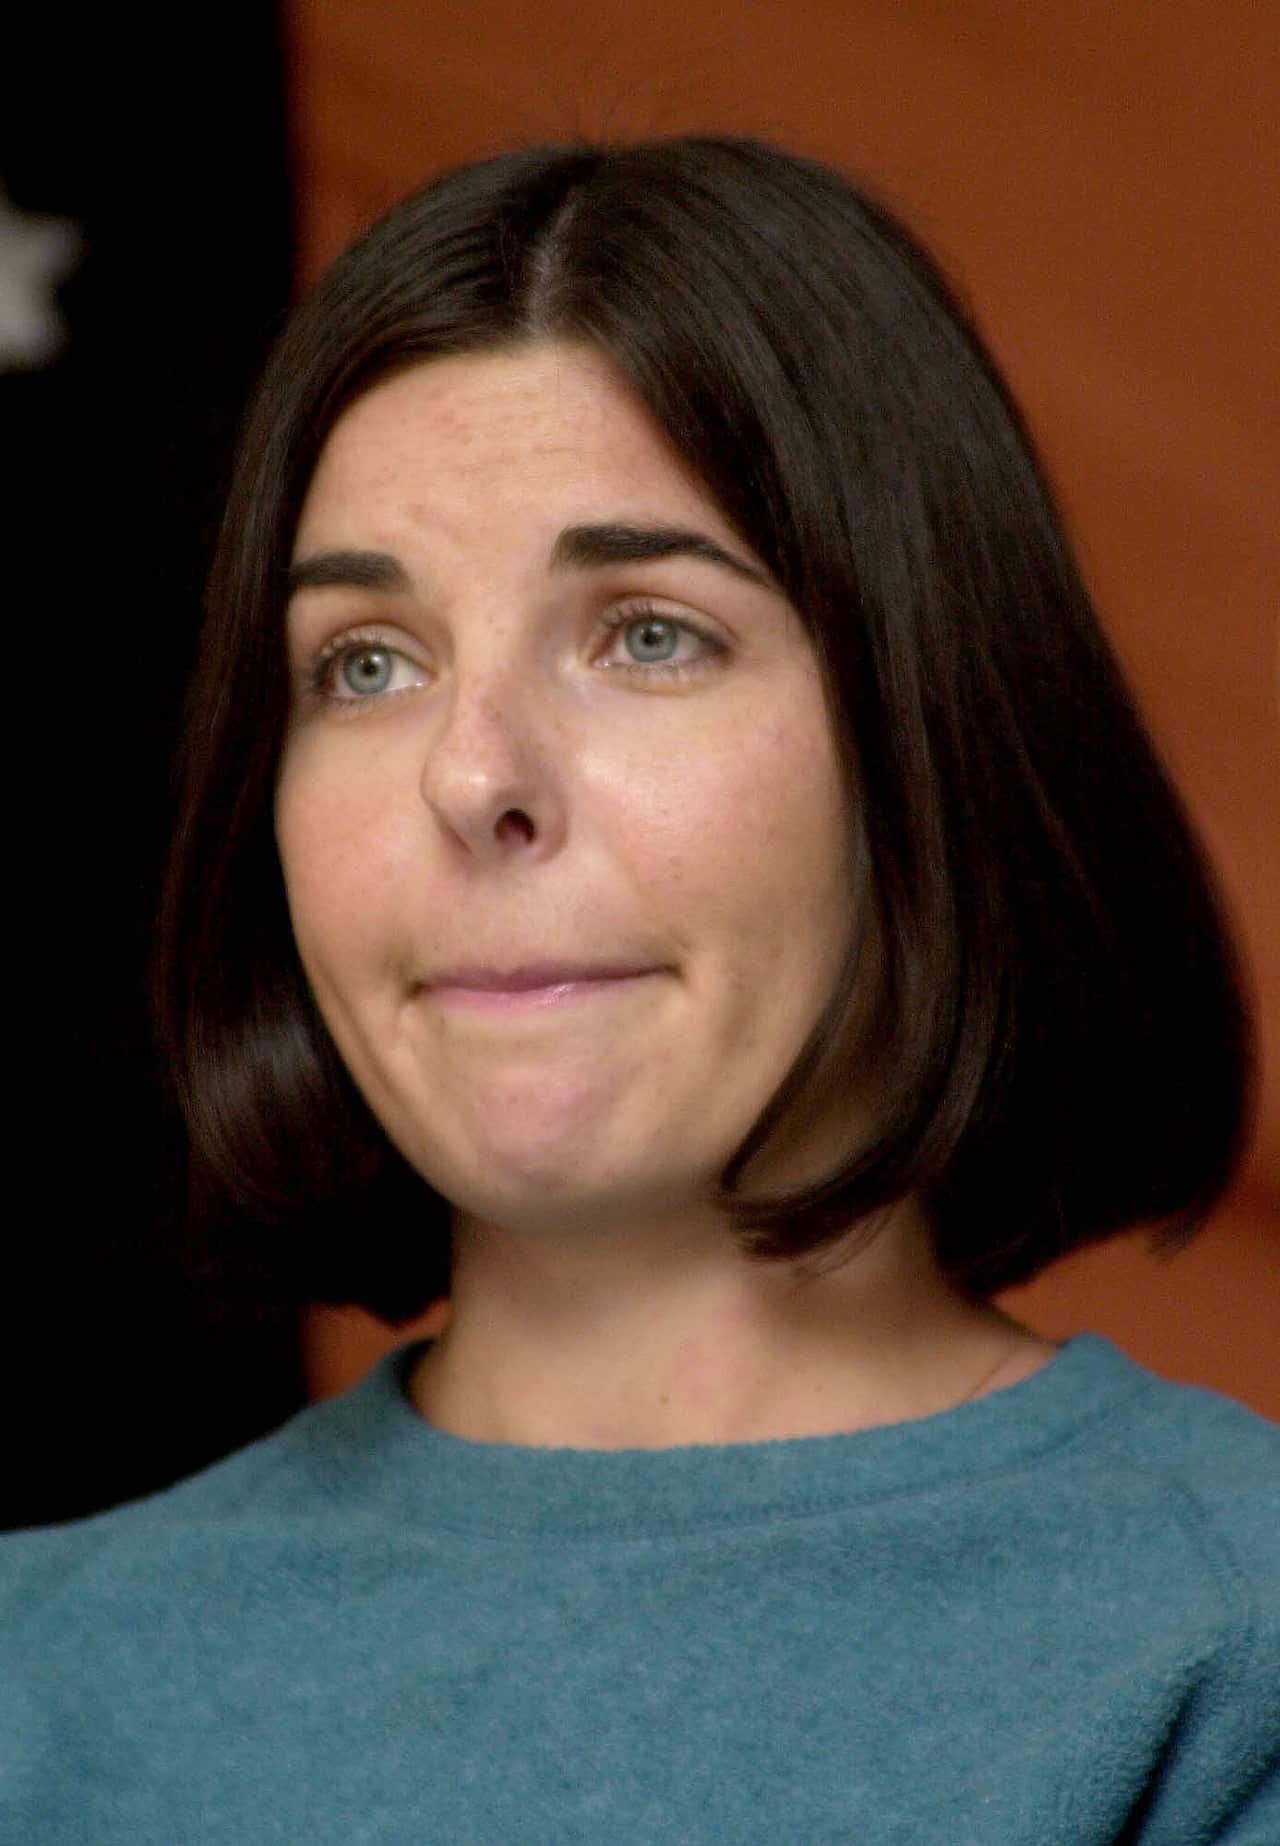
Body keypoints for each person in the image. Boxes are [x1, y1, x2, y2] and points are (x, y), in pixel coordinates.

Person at [2, 135, 1276, 1843]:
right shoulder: (42, 1680)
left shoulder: (1229, 1639)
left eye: (648, 633)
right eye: (364, 664)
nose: (474, 775)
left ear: (938, 735)